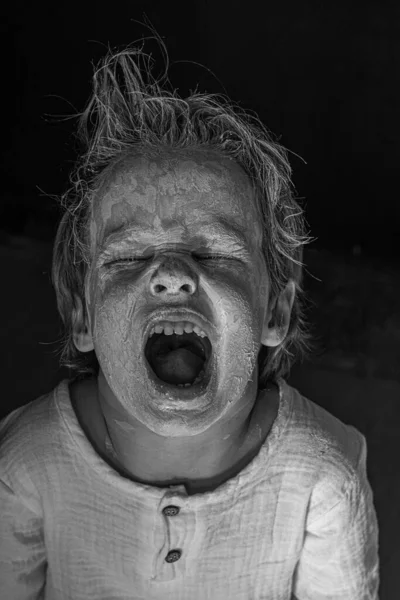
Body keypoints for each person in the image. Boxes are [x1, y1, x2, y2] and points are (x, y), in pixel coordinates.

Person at [0, 33, 379, 599]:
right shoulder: (27, 462)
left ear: (274, 306)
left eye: (212, 253)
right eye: (128, 256)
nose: (172, 273)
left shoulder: (323, 475)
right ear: (81, 313)